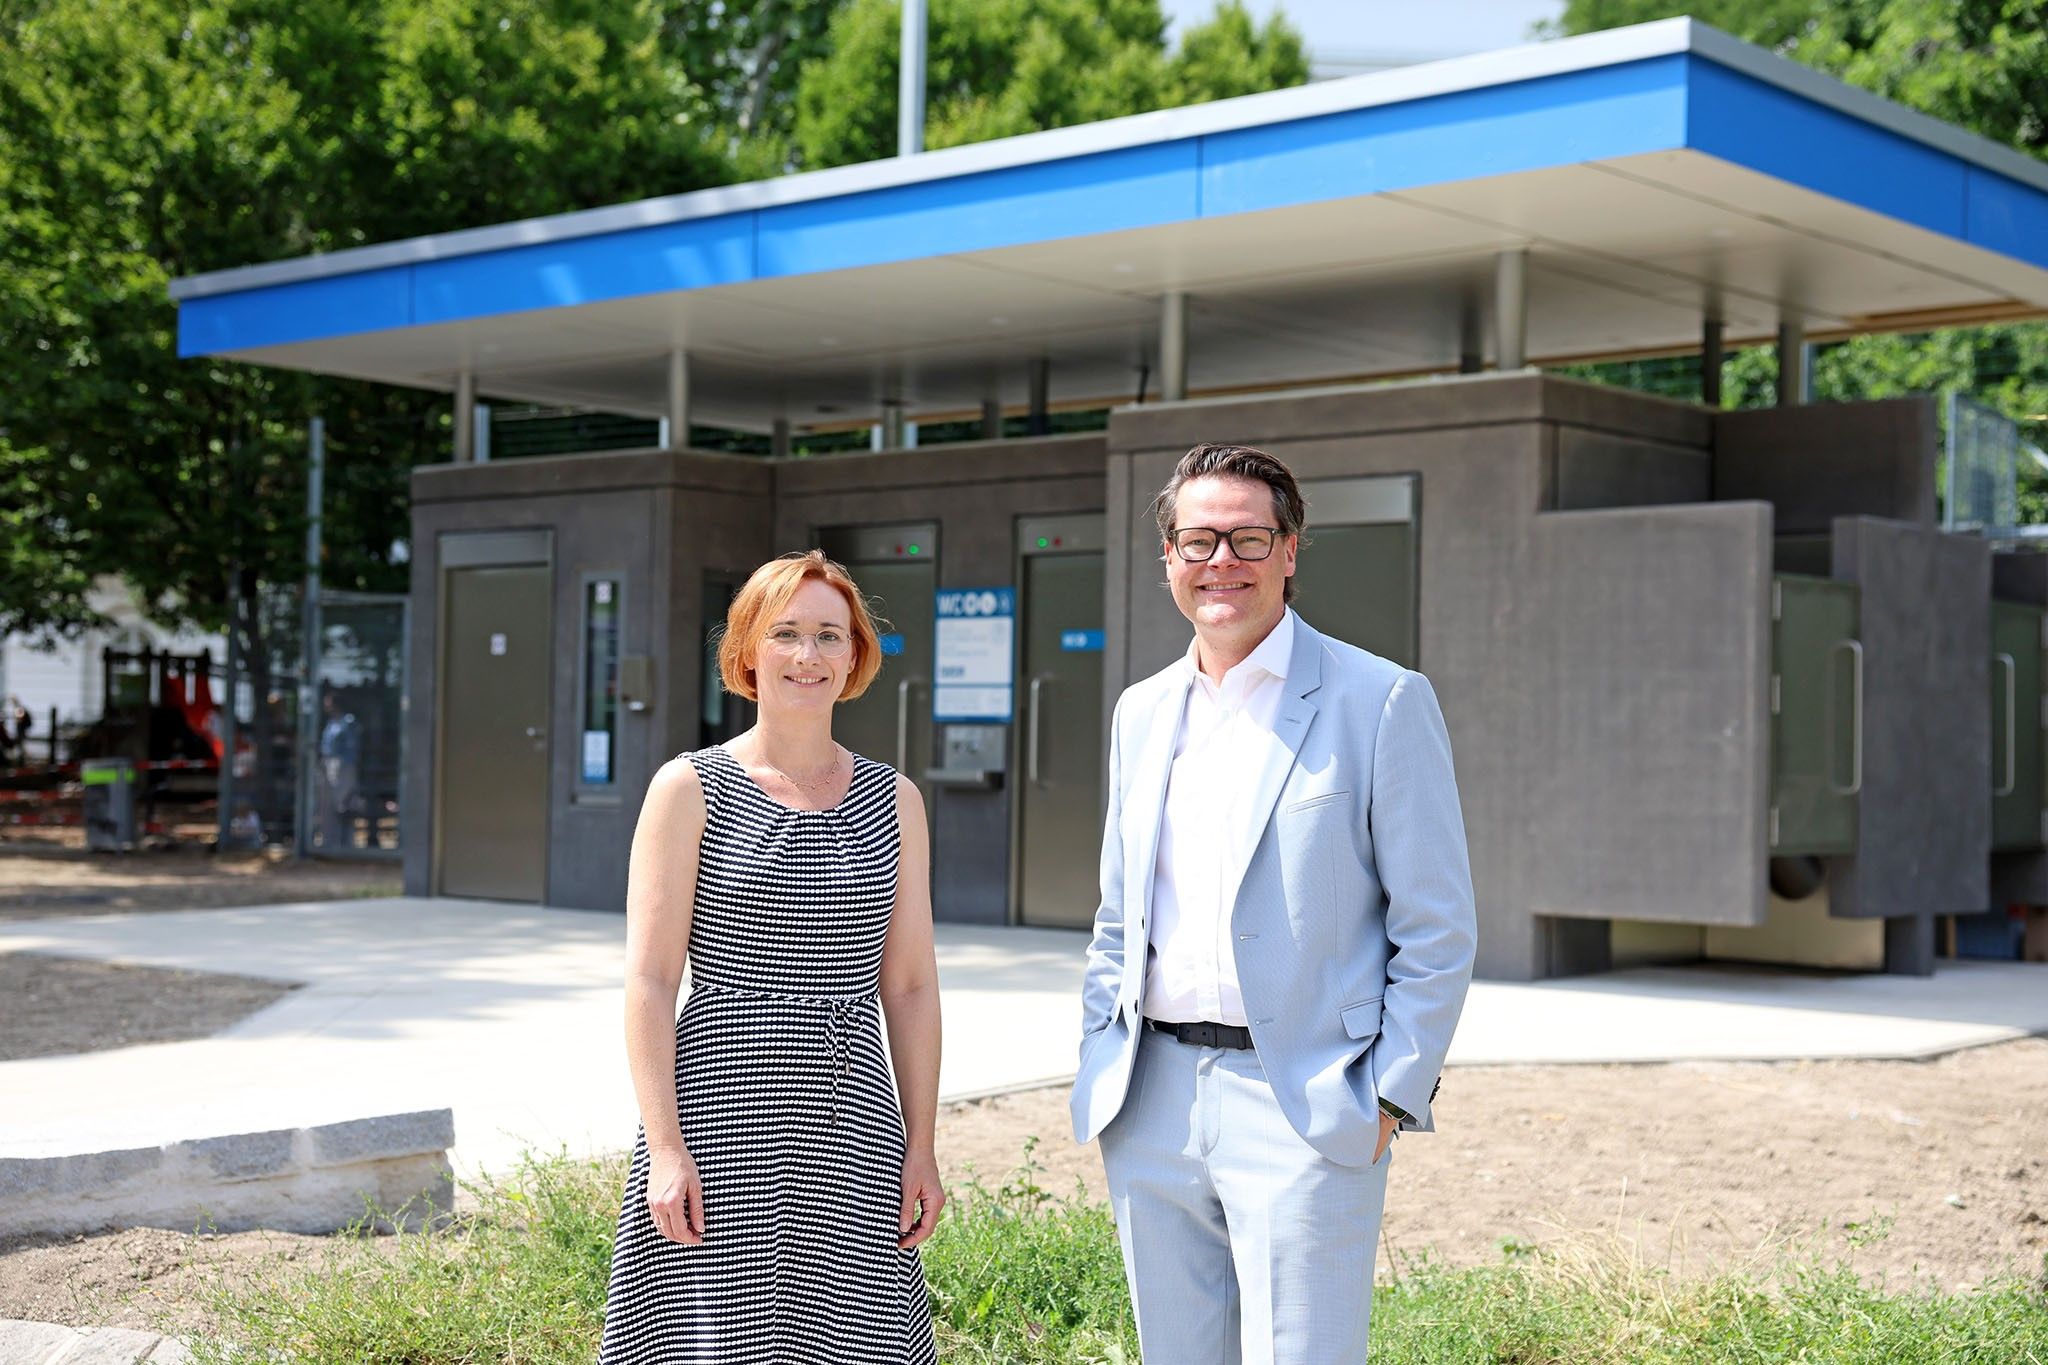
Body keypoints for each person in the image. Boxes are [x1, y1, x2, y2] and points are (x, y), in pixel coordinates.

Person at [1070, 443, 1477, 1363]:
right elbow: (1118, 914)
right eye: (1198, 540)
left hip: (1307, 1102)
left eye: (1248, 539)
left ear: (1290, 550)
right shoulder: (1142, 711)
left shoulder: (1380, 698)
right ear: (1168, 557)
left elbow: (1437, 926)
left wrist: (1389, 1094)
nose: (1222, 560)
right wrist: (1100, 1051)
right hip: (1150, 1101)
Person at [601, 549, 944, 1365]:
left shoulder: (896, 799)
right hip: (718, 1112)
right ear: (748, 649)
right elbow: (650, 980)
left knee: (856, 1336)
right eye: (785, 632)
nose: (807, 654)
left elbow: (910, 986)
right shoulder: (688, 787)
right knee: (716, 1339)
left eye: (829, 634)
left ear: (855, 655)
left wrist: (921, 1144)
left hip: (854, 1118)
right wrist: (665, 1148)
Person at [316, 692, 360, 848]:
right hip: (328, 765)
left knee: (344, 805)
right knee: (328, 806)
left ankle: (347, 845)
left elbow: (352, 748)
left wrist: (344, 768)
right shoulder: (330, 723)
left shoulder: (348, 722)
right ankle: (330, 843)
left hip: (343, 766)